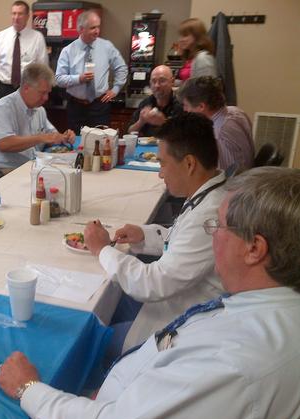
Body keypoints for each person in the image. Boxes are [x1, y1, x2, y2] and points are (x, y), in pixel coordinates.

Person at [0, 166, 300, 419]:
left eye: (218, 226)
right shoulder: (268, 311)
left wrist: (28, 388)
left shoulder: (231, 366)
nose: (211, 235)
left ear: (254, 249)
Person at [85, 112, 225, 353]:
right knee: (108, 302)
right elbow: (183, 240)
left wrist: (102, 250)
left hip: (182, 323)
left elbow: (152, 283)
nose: (160, 174)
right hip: (177, 297)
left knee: (93, 341)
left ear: (189, 164)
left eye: (162, 164)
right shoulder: (209, 193)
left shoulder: (209, 215)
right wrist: (145, 234)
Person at [0, 63, 76, 172]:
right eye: (42, 93)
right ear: (26, 88)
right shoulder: (3, 108)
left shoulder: (39, 110)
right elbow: (5, 144)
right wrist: (42, 138)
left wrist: (64, 137)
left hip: (30, 166)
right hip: (2, 170)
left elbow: (51, 136)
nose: (46, 98)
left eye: (48, 93)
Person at [55, 10, 127, 132]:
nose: (97, 31)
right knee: (77, 141)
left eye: (98, 27)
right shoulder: (68, 51)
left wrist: (116, 89)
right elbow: (59, 79)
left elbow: (121, 67)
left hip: (100, 106)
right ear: (81, 29)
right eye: (93, 28)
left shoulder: (106, 46)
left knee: (101, 140)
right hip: (76, 107)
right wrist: (79, 79)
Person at [0, 0, 48, 118]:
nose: (16, 17)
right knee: (1, 122)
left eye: (20, 14)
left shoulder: (37, 38)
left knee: (25, 124)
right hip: (3, 89)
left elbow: (43, 69)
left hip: (27, 89)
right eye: (14, 13)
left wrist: (38, 93)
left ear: (27, 16)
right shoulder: (0, 37)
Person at [179, 76, 255, 172]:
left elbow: (227, 175)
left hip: (237, 179)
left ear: (201, 106)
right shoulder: (236, 111)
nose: (185, 110)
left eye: (186, 105)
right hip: (248, 171)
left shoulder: (218, 134)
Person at [127, 65, 183, 136]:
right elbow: (129, 132)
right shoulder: (146, 103)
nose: (157, 85)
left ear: (172, 82)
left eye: (162, 81)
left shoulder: (181, 105)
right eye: (153, 81)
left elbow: (186, 137)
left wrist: (164, 123)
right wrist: (141, 121)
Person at [176, 18, 217, 82]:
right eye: (181, 36)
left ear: (197, 36)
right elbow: (188, 82)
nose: (181, 40)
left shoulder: (203, 58)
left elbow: (206, 85)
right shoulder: (191, 57)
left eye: (185, 35)